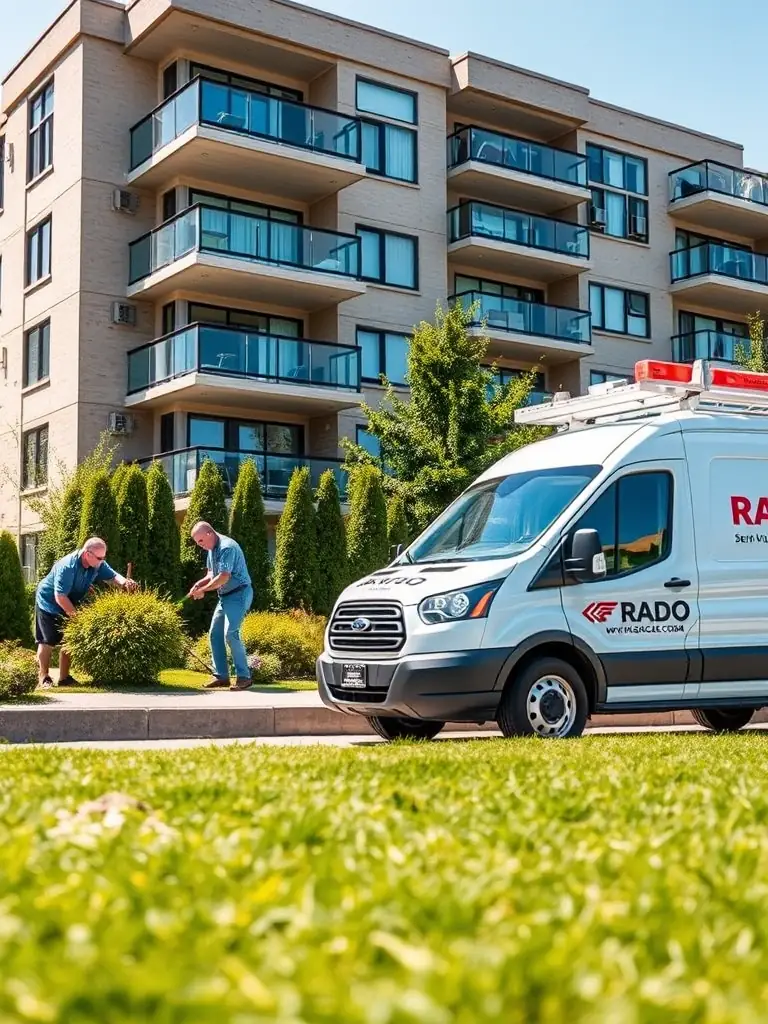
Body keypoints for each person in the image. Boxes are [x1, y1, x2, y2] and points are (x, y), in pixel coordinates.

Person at [35, 536, 139, 688]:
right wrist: (76, 617)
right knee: (48, 640)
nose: (102, 560)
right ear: (87, 554)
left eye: (104, 557)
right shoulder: (68, 566)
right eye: (99, 557)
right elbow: (60, 596)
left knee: (70, 639)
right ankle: (43, 676)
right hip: (50, 601)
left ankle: (64, 678)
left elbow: (113, 576)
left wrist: (125, 583)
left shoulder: (97, 563)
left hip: (71, 599)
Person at [188, 521, 253, 690]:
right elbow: (212, 574)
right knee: (215, 634)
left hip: (239, 593)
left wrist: (203, 590)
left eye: (200, 541)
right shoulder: (211, 549)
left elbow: (223, 577)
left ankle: (244, 677)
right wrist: (199, 584)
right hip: (225, 597)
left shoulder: (227, 547)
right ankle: (221, 676)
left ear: (209, 534)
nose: (199, 545)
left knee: (231, 634)